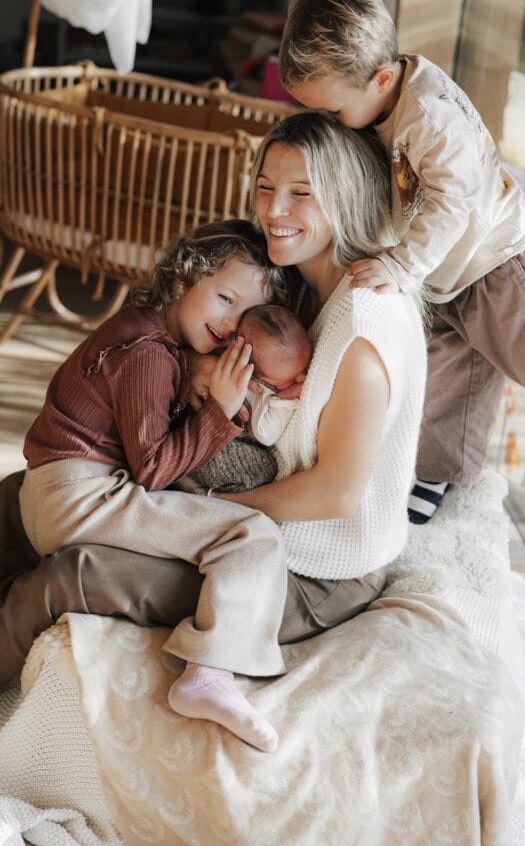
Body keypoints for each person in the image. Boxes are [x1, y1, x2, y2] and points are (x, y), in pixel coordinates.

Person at [0, 113, 427, 727]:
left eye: (301, 193)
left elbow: (335, 493)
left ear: (344, 199)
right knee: (21, 498)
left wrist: (220, 510)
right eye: (265, 186)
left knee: (75, 573)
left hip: (316, 565)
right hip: (253, 509)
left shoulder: (364, 322)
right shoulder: (293, 290)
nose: (274, 208)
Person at [277, 0, 525, 521]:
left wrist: (400, 264)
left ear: (381, 79)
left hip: (498, 262)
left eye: (335, 111)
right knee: (447, 377)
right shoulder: (384, 92)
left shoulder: (433, 120)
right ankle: (440, 471)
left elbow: (455, 201)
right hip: (446, 274)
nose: (333, 122)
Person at [19, 218, 293, 753]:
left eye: (245, 317)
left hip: (57, 490)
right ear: (183, 277)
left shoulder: (146, 330)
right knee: (250, 532)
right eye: (223, 298)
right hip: (78, 497)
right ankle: (209, 675)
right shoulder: (146, 351)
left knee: (206, 519)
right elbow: (153, 469)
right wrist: (222, 409)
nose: (230, 323)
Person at [179, 303, 312, 494]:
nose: (302, 379)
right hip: (209, 444)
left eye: (305, 366)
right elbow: (266, 434)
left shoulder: (262, 363)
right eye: (289, 380)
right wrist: (286, 398)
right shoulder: (255, 387)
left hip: (194, 431)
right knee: (264, 469)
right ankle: (192, 484)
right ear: (254, 372)